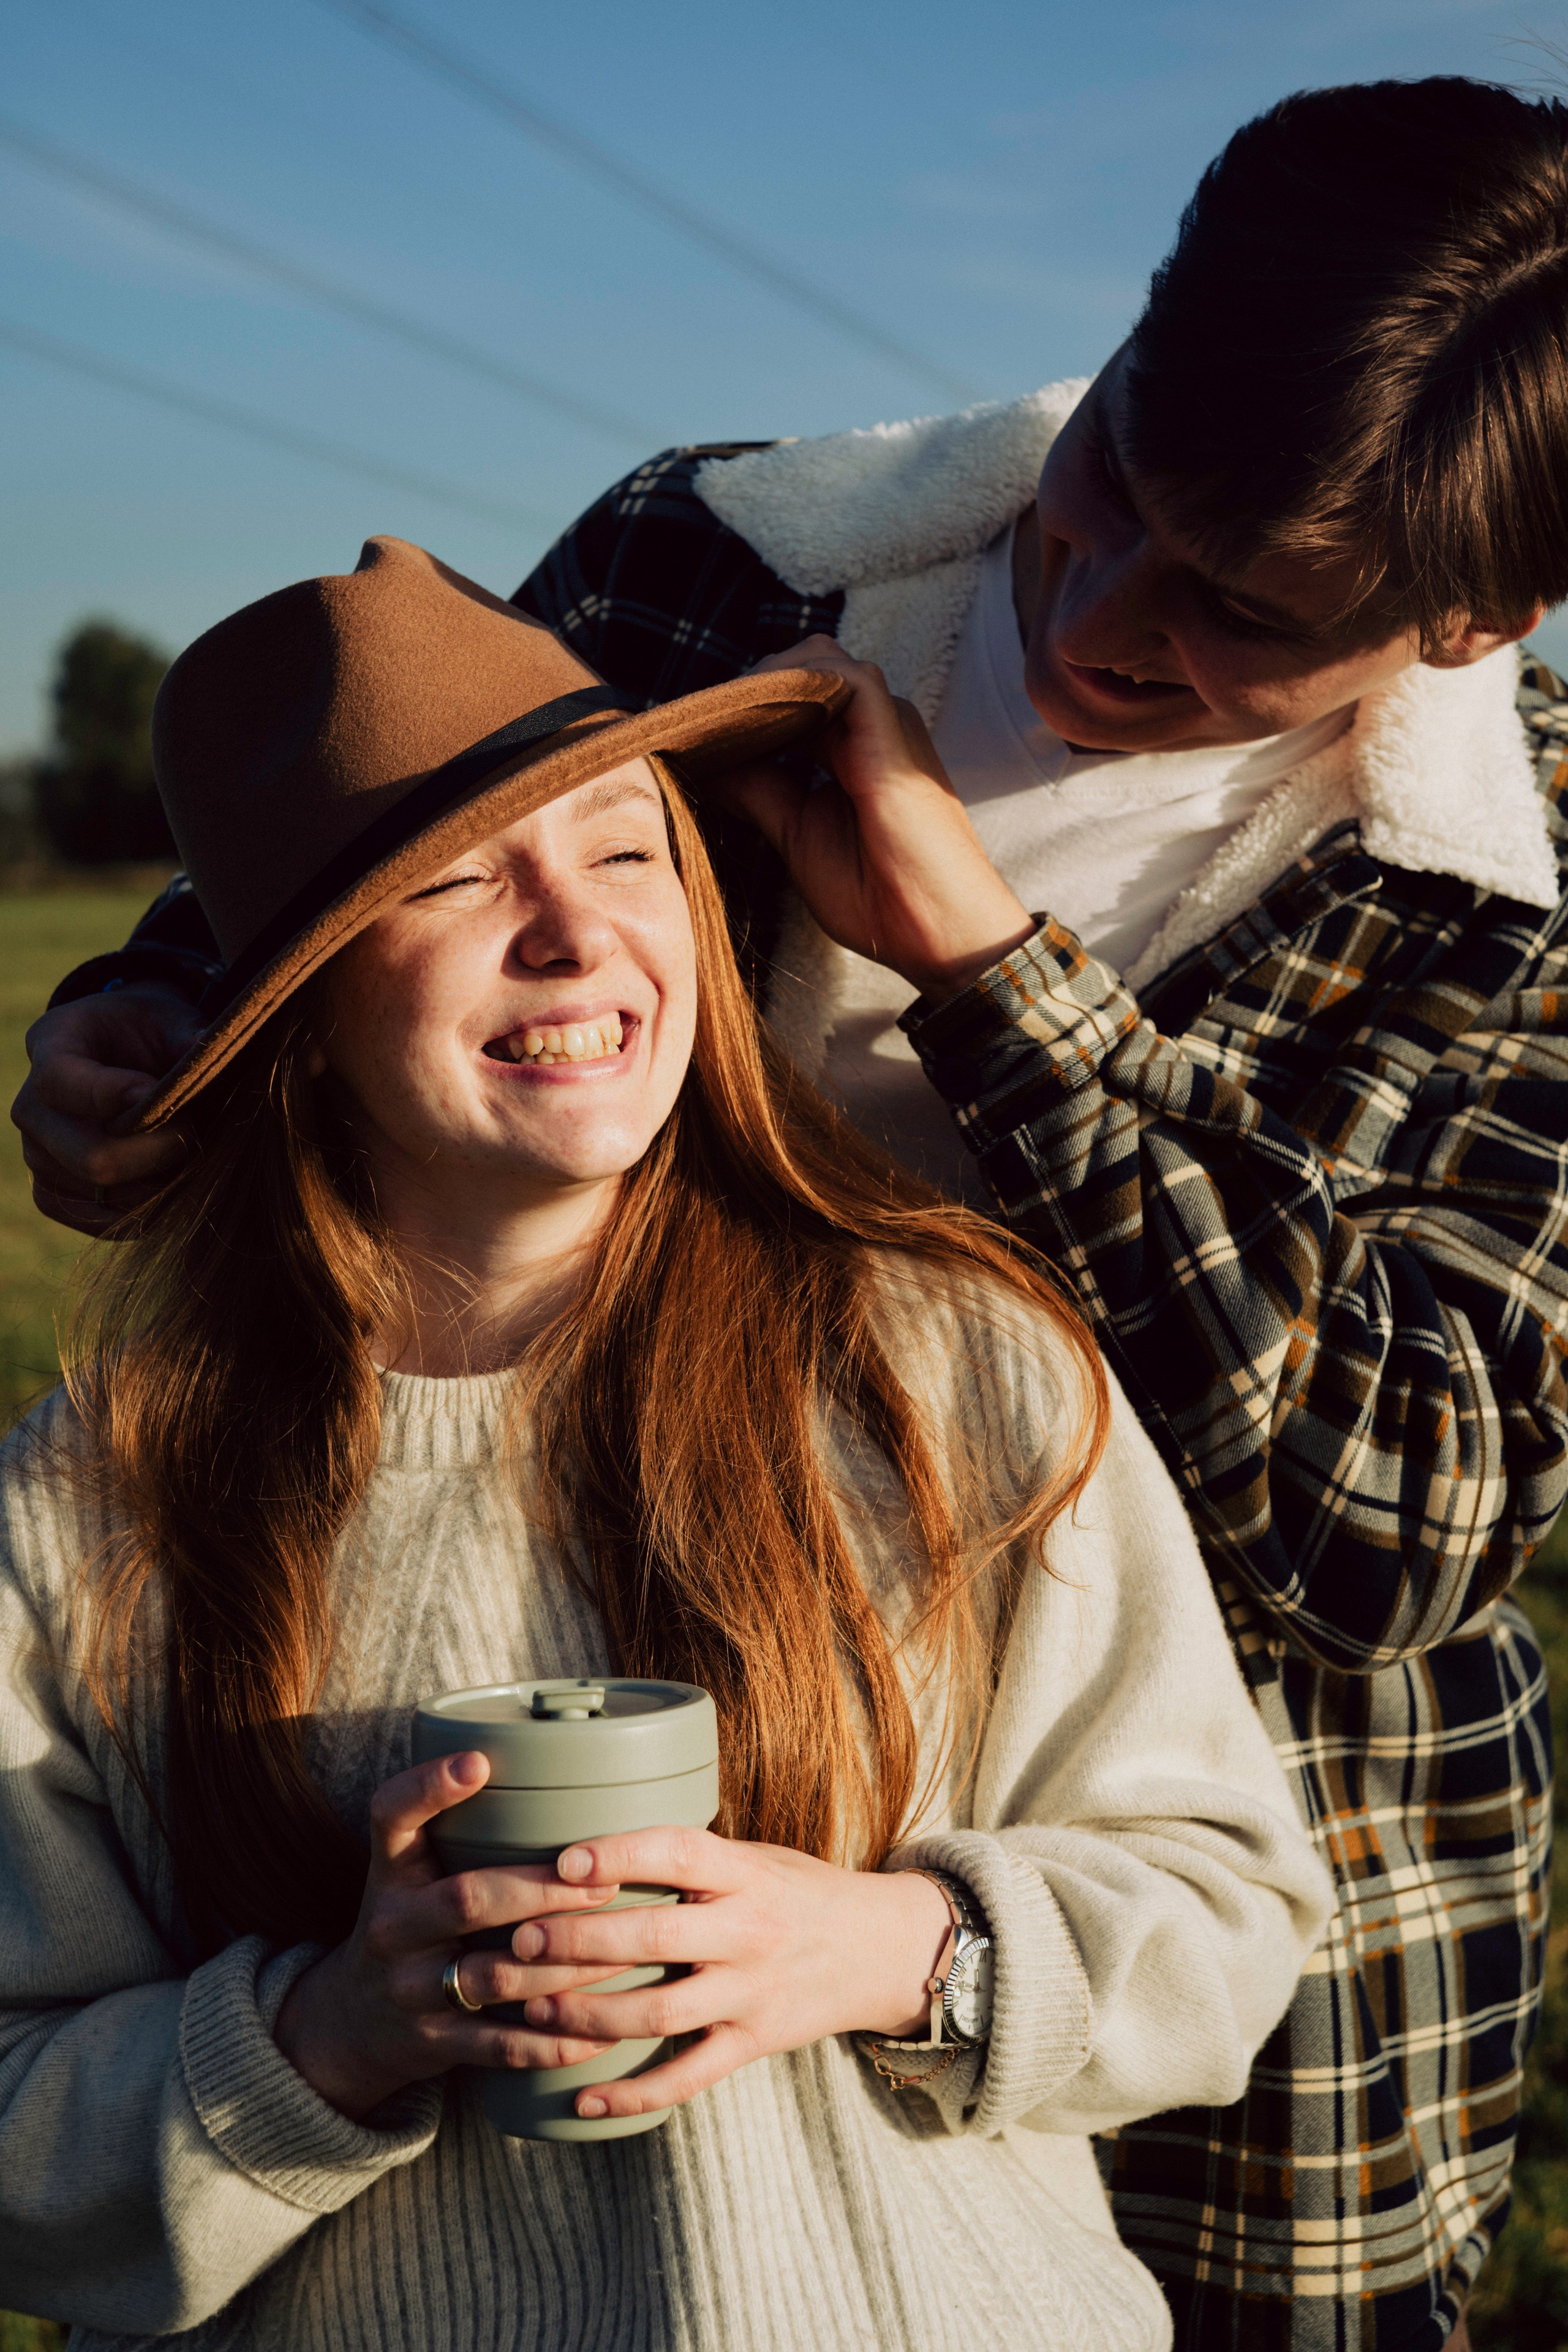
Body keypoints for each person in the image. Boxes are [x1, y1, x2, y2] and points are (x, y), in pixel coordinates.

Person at [10, 74, 1566, 2351]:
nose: (1101, 607)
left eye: (1239, 610)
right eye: (1117, 467)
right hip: (607, 1586)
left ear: (1475, 618)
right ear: (1121, 335)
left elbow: (1400, 1527)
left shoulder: (1518, 895)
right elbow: (383, 824)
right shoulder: (726, 559)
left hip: (1197, 1846)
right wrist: (153, 1020)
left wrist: (997, 985)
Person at [0, 535, 1330, 2350]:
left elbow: (1228, 1914)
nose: (575, 927)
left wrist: (875, 1948)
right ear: (290, 1014)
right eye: (459, 882)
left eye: (628, 847)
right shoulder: (93, 1507)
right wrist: (331, 2032)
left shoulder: (949, 1362)